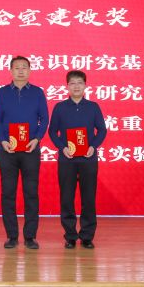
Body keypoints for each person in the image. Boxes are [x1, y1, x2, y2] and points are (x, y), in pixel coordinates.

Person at [0, 56, 49, 249]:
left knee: (31, 193)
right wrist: (3, 140)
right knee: (8, 193)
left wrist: (37, 139)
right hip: (7, 149)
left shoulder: (38, 93)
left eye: (24, 67)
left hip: (30, 149)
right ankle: (12, 236)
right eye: (17, 68)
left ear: (30, 70)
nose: (21, 71)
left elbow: (44, 119)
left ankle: (30, 236)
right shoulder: (2, 93)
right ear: (11, 71)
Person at [48, 70, 107, 249]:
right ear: (67, 86)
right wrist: (62, 148)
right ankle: (70, 236)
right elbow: (52, 131)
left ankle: (87, 236)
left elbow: (102, 130)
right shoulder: (60, 107)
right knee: (67, 197)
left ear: (85, 86)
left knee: (88, 198)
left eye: (80, 83)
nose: (76, 86)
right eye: (72, 83)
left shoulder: (93, 107)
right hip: (67, 159)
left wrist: (93, 146)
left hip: (88, 159)